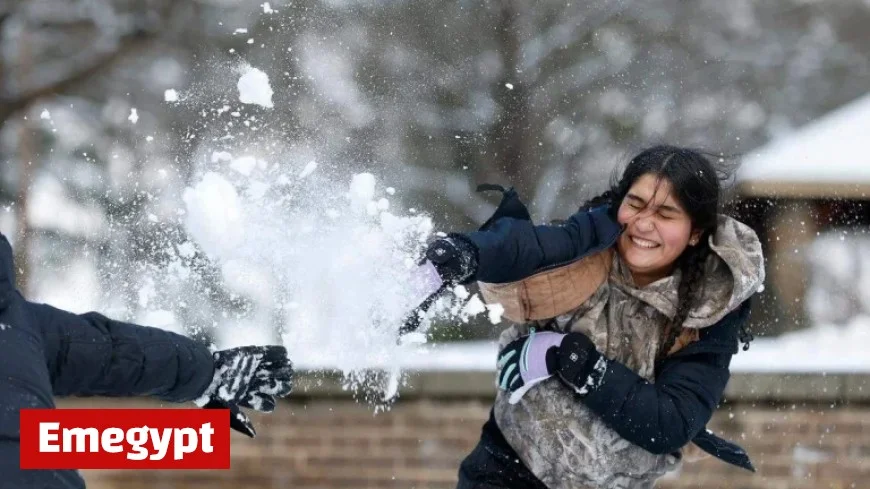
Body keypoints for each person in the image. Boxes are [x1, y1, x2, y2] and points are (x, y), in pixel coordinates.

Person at [424, 145, 764, 489]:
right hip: (508, 469)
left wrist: (571, 358)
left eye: (665, 213)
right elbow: (528, 246)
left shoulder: (710, 308)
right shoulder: (588, 240)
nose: (644, 224)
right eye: (635, 204)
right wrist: (468, 252)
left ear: (694, 232)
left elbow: (670, 423)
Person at [0, 232, 294, 489]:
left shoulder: (20, 322)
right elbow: (112, 350)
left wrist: (209, 373)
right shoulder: (19, 322)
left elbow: (116, 351)